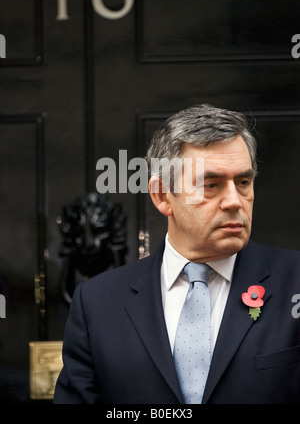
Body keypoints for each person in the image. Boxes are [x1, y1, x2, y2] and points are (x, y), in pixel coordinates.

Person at [54, 104, 300, 404]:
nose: (235, 201)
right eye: (211, 185)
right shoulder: (97, 302)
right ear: (162, 196)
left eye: (243, 182)